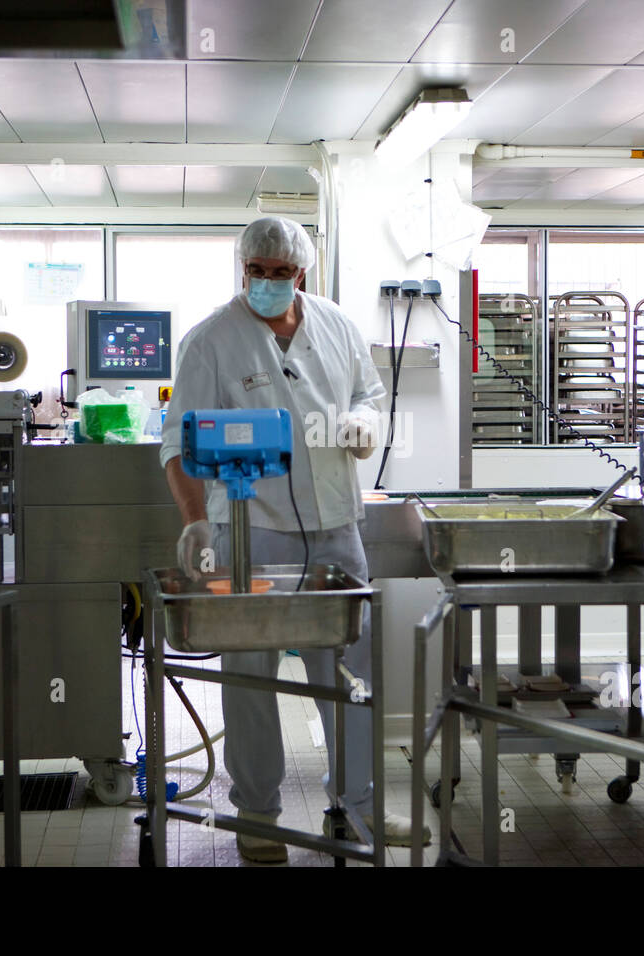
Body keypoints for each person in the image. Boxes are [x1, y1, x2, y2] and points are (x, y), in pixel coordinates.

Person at [159, 216, 430, 863]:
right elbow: (179, 443)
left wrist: (364, 422)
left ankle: (357, 807)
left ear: (302, 272)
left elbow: (368, 391)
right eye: (260, 273)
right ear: (243, 269)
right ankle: (257, 814)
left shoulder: (335, 326)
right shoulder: (211, 342)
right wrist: (196, 521)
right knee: (251, 677)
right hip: (247, 533)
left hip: (337, 530)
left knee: (350, 675)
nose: (271, 284)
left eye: (284, 274)